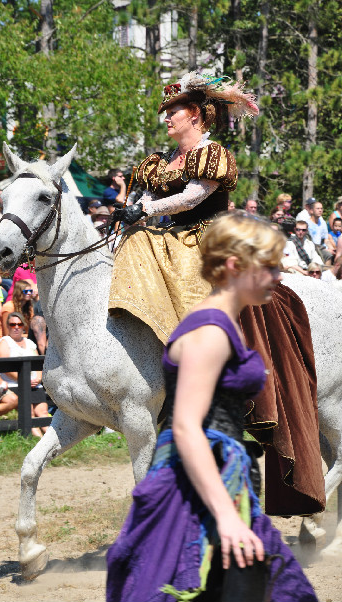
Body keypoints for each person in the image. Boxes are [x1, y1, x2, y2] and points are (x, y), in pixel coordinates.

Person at [108, 71, 325, 518]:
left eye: (173, 110)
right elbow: (150, 195)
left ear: (196, 114)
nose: (166, 117)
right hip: (168, 237)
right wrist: (129, 214)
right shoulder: (159, 159)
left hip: (209, 241)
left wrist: (145, 208)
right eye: (165, 110)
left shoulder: (213, 155)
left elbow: (191, 197)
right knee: (131, 245)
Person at [106, 213, 318, 602]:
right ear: (236, 266)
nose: (278, 275)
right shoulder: (211, 330)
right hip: (202, 481)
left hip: (221, 474)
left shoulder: (223, 323)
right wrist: (225, 516)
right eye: (269, 265)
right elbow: (187, 426)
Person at [0, 312, 49, 438]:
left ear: (24, 326)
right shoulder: (4, 342)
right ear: (7, 326)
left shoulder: (30, 343)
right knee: (29, 411)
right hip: (16, 383)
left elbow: (37, 363)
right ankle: (37, 438)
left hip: (34, 383)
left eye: (19, 324)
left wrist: (39, 377)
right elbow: (5, 368)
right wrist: (24, 379)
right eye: (12, 324)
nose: (16, 327)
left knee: (42, 411)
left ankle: (50, 436)